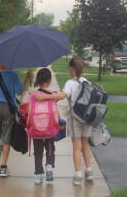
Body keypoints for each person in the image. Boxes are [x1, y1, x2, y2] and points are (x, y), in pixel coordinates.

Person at [35, 57, 93, 186]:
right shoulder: (87, 82)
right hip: (87, 118)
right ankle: (89, 171)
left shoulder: (70, 83)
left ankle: (78, 175)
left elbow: (61, 96)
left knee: (76, 146)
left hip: (76, 118)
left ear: (71, 69)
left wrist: (44, 96)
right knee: (85, 144)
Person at [0, 64, 33, 177]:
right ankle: (3, 168)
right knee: (7, 137)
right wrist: (28, 77)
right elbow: (20, 92)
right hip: (9, 109)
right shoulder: (13, 75)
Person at [29, 68, 57, 185]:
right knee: (50, 148)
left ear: (38, 81)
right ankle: (49, 166)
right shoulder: (54, 94)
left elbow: (29, 109)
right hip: (49, 127)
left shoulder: (33, 95)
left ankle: (38, 175)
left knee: (38, 152)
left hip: (36, 128)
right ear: (49, 81)